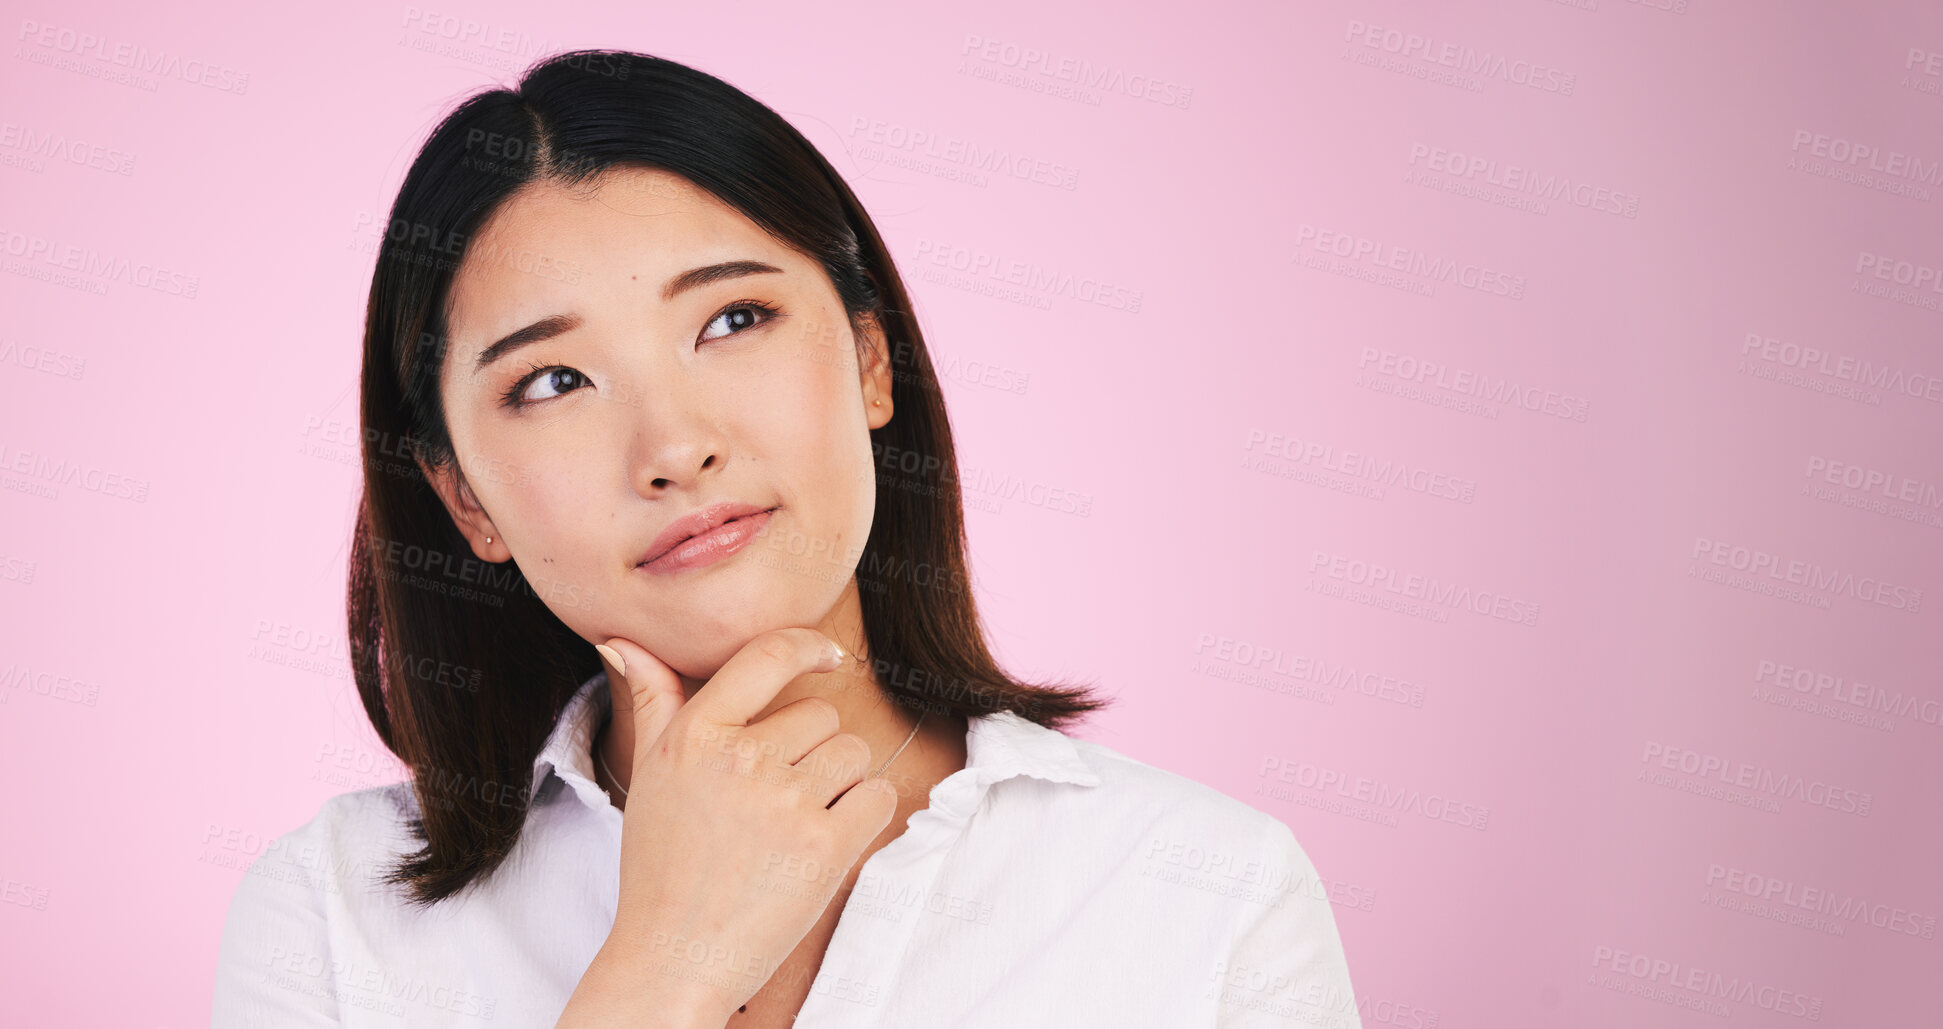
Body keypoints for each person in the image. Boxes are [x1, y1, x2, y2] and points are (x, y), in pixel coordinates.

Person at [210, 49, 1362, 1029]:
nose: (673, 445)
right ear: (465, 499)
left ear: (869, 360)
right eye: (555, 380)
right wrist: (664, 965)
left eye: (732, 319)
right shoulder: (335, 914)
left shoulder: (1204, 894)